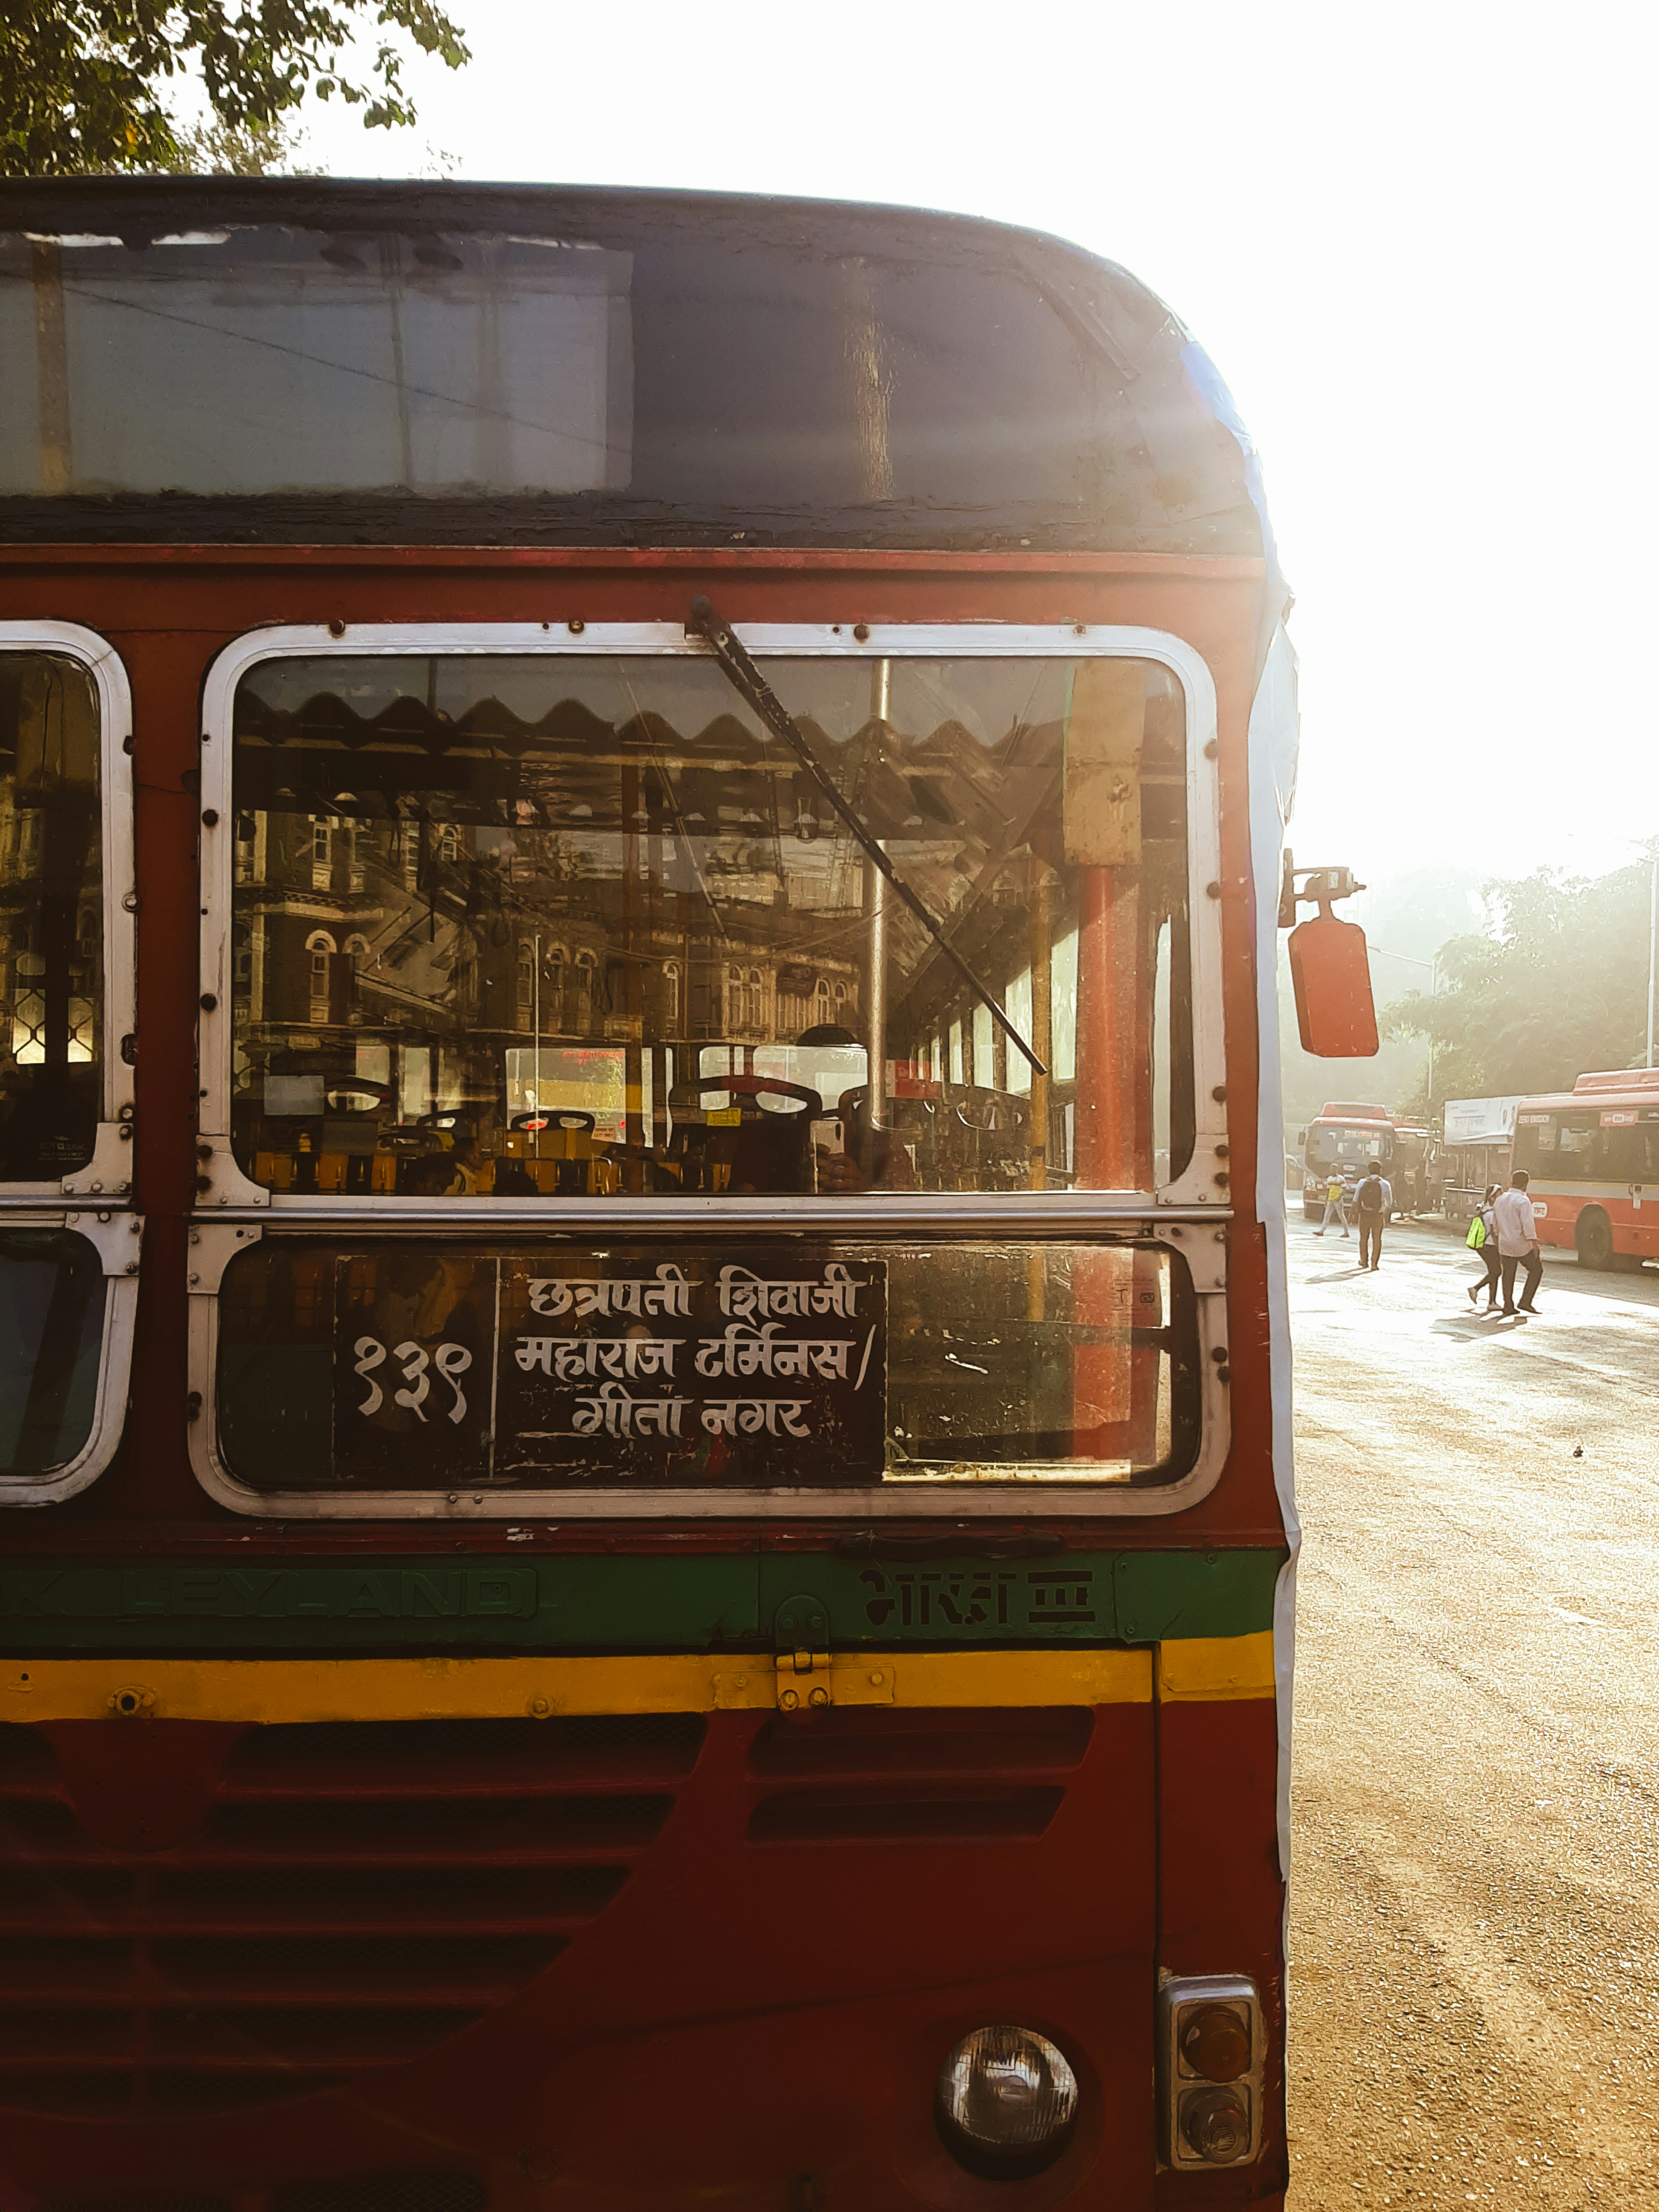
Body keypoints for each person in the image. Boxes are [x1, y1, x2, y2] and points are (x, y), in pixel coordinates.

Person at [1493, 1169, 1543, 1315]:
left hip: (1504, 1242)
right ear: (1526, 1185)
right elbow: (1528, 1225)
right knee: (1536, 1270)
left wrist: (1497, 1240)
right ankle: (1526, 1301)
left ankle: (1508, 1305)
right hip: (1521, 1244)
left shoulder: (1500, 1200)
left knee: (1508, 1275)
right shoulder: (1523, 1201)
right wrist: (1535, 1245)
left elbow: (1495, 1224)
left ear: (1512, 1182)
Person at [1465, 1184, 1501, 1310]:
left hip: (1486, 1246)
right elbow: (1494, 1232)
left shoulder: (1486, 1210)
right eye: (1499, 1195)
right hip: (1490, 1246)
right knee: (1497, 1272)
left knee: (1494, 1272)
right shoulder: (1491, 1214)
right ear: (1492, 1198)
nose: (1501, 1197)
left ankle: (1492, 1302)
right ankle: (1476, 1289)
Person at [1353, 1158, 1392, 1270]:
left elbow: (1356, 1200)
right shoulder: (1385, 1184)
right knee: (1377, 1240)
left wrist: (1356, 1214)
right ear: (1380, 1170)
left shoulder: (1362, 1182)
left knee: (1363, 1239)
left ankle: (1364, 1262)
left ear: (1369, 1171)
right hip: (1377, 1215)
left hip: (1364, 1215)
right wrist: (1383, 1215)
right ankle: (1374, 1264)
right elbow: (1389, 1203)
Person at [1315, 1170, 1349, 1237]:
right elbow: (1328, 1190)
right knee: (1327, 1216)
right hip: (1330, 1200)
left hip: (1338, 1200)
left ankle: (1346, 1233)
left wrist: (1339, 1197)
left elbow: (1345, 1189)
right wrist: (1326, 1200)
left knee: (1341, 1216)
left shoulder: (1341, 1179)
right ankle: (1322, 1231)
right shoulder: (1330, 1179)